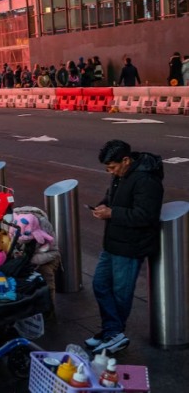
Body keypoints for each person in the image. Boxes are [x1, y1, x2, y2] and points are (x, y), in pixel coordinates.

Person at [86, 140, 164, 355]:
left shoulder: (146, 180)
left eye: (112, 167)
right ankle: (111, 330)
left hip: (131, 246)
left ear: (126, 160)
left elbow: (146, 215)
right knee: (100, 285)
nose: (110, 172)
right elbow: (113, 198)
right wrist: (104, 204)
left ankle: (114, 333)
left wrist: (111, 213)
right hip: (112, 242)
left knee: (121, 293)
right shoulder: (121, 175)